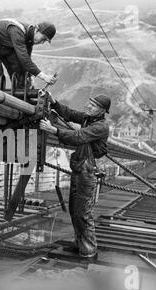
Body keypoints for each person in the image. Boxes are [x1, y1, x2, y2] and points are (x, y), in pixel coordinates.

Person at [39, 94, 111, 260]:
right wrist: (54, 102)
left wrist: (53, 130)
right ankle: (81, 245)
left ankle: (89, 250)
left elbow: (78, 137)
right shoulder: (88, 119)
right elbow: (69, 113)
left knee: (82, 213)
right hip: (80, 169)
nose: (88, 106)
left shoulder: (100, 126)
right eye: (90, 102)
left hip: (87, 172)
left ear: (102, 110)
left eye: (93, 105)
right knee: (74, 210)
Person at [0, 19, 57, 89]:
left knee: (19, 72)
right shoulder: (17, 31)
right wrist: (44, 77)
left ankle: (22, 96)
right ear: (36, 30)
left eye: (45, 41)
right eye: (43, 38)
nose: (42, 42)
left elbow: (26, 58)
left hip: (5, 44)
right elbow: (24, 59)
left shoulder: (29, 37)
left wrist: (30, 77)